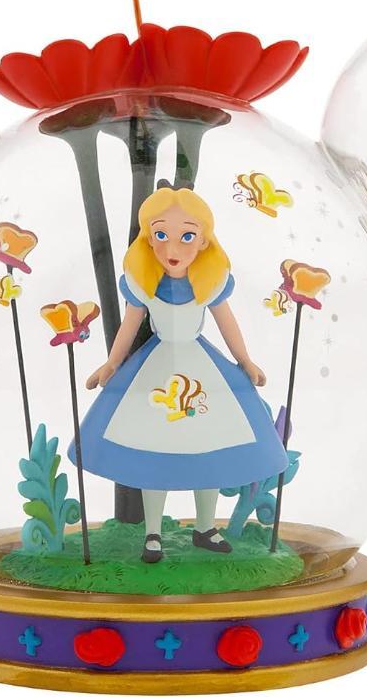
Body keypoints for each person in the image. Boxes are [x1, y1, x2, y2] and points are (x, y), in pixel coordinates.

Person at [74, 182, 288, 562]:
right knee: (154, 451)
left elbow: (227, 323)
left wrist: (245, 360)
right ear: (148, 238)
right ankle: (153, 533)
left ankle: (205, 527)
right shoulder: (145, 285)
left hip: (201, 369)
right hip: (155, 371)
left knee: (209, 448)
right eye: (161, 235)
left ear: (204, 241)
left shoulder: (209, 284)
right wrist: (112, 363)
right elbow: (129, 326)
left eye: (186, 236)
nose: (172, 249)